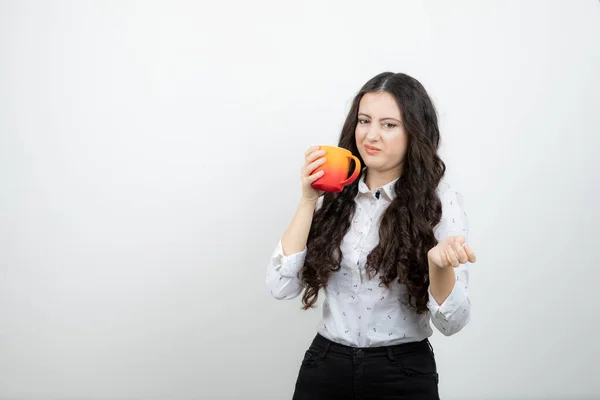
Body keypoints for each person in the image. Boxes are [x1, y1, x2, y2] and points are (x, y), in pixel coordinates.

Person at [265, 72, 477, 400]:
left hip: (402, 372)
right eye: (365, 121)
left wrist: (439, 265)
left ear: (413, 132)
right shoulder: (334, 194)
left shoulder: (439, 200)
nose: (371, 135)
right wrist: (309, 199)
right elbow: (281, 286)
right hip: (326, 366)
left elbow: (453, 322)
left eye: (389, 125)